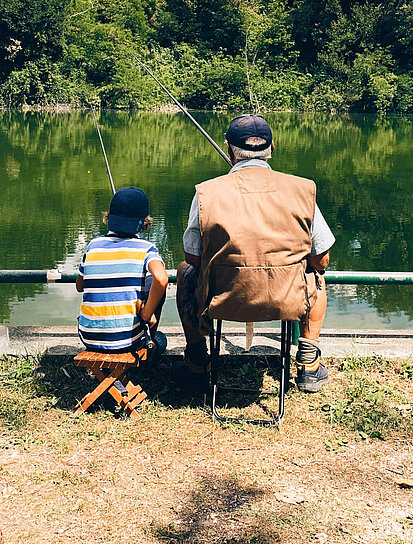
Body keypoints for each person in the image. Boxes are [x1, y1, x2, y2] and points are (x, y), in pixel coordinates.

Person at [176, 114, 335, 393]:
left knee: (185, 272)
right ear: (272, 147)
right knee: (317, 276)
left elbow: (193, 258)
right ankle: (308, 365)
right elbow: (320, 259)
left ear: (228, 149)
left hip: (222, 300)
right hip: (287, 300)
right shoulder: (303, 189)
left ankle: (198, 362)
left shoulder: (206, 193)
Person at [76, 187, 168, 365]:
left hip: (88, 337)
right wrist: (146, 314)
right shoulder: (146, 248)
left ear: (109, 217)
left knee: (147, 283)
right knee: (162, 341)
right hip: (126, 342)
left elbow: (80, 286)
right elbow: (162, 278)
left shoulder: (93, 245)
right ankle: (149, 344)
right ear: (144, 222)